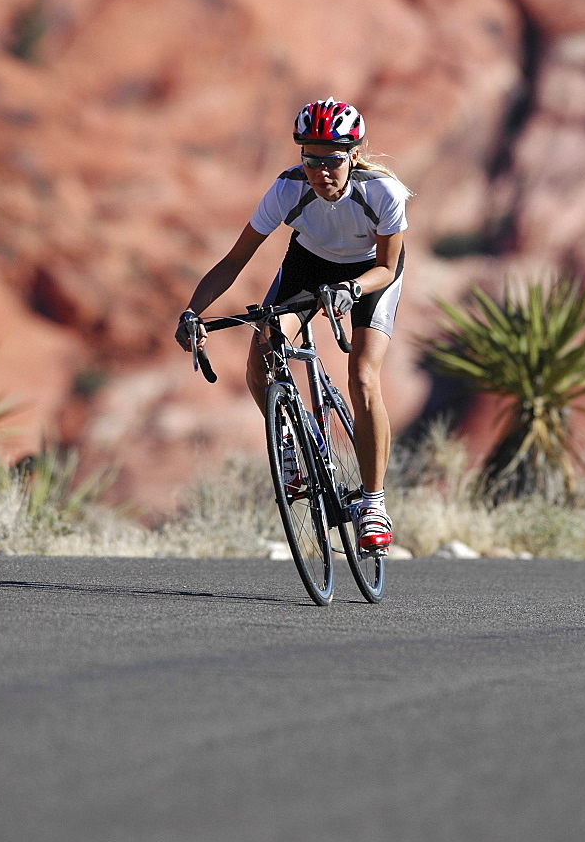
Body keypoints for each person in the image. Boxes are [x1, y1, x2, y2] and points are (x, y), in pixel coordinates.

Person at [175, 97, 411, 554]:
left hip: (371, 275)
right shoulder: (287, 189)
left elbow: (387, 265)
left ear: (355, 155)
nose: (321, 172)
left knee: (363, 376)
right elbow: (233, 262)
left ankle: (374, 504)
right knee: (262, 348)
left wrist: (352, 291)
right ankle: (288, 444)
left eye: (332, 161)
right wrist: (191, 311)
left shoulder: (384, 192)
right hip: (308, 266)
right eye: (311, 159)